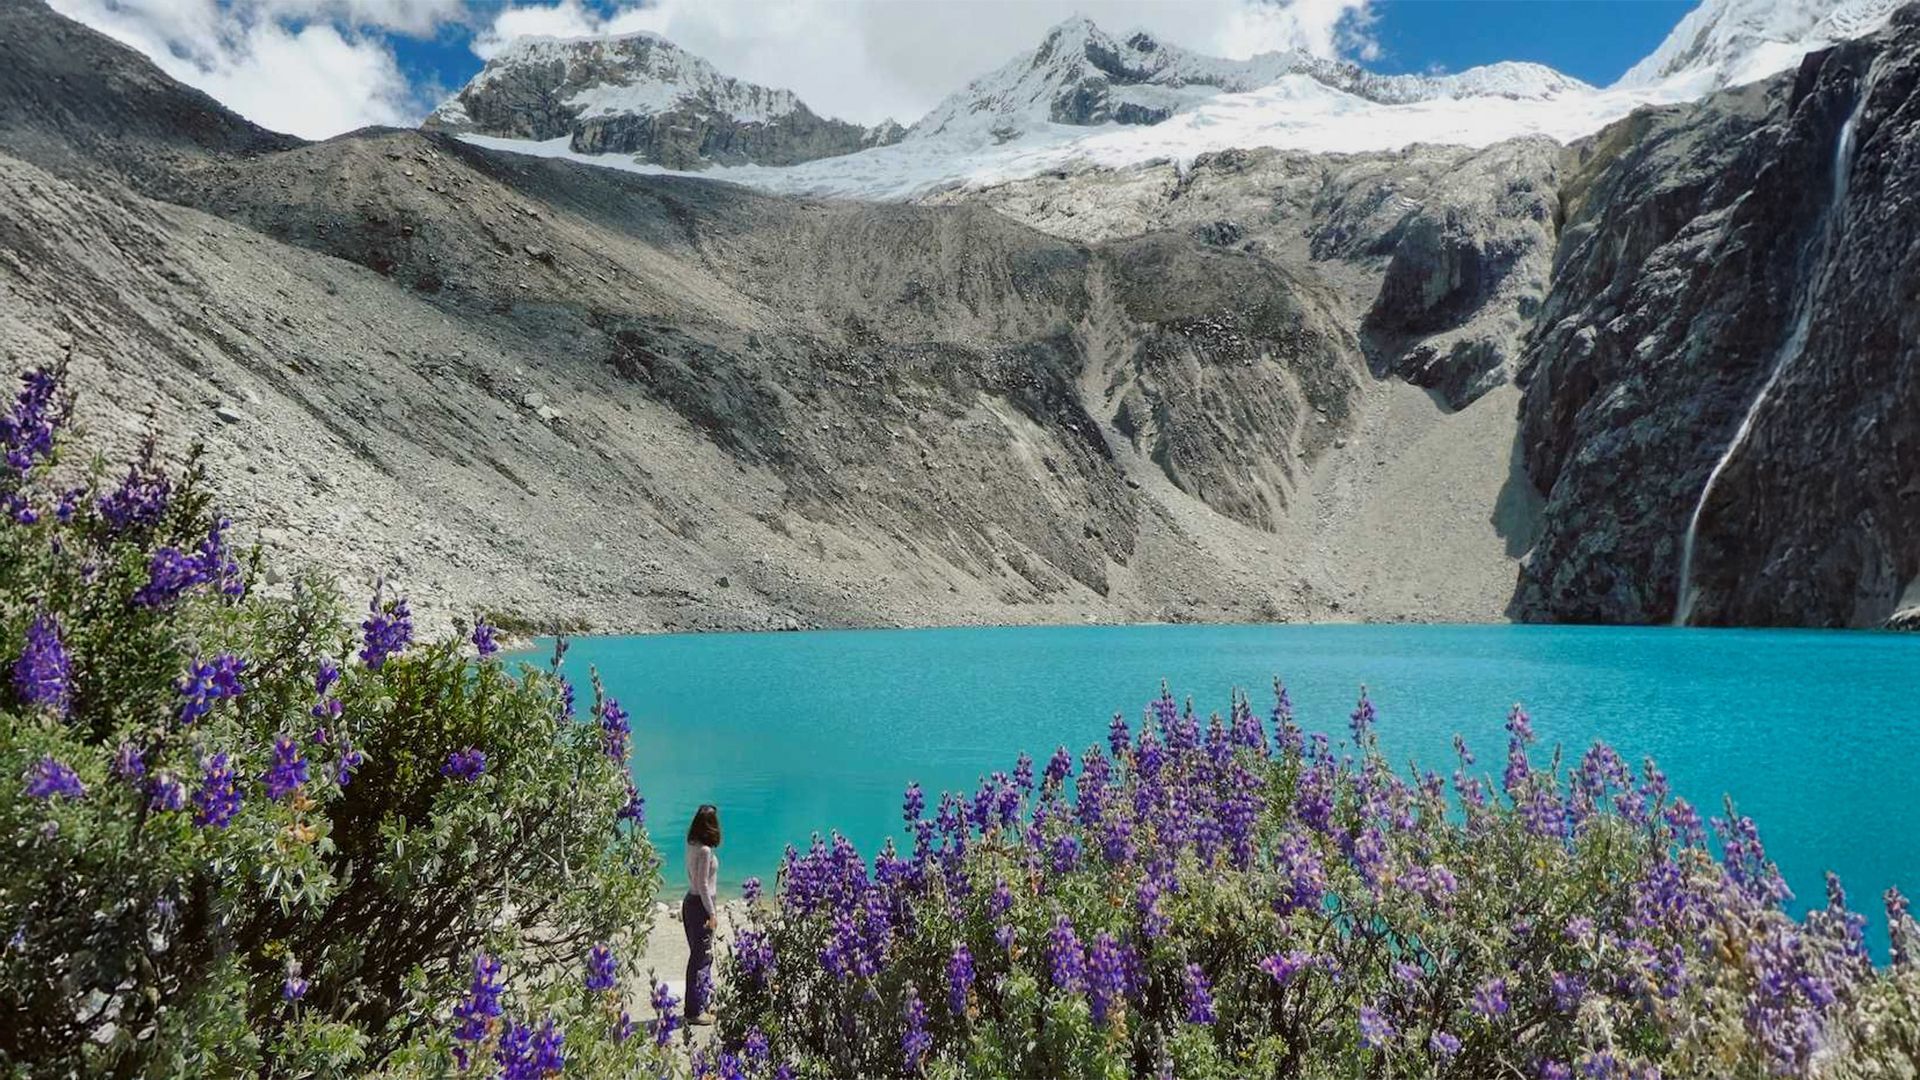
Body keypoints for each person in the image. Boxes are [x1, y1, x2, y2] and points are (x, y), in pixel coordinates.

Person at [683, 804, 721, 1025]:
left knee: (699, 956)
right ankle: (694, 1011)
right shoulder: (705, 851)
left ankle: (702, 1002)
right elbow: (703, 885)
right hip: (701, 905)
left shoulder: (692, 844)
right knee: (701, 958)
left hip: (690, 902)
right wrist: (712, 913)